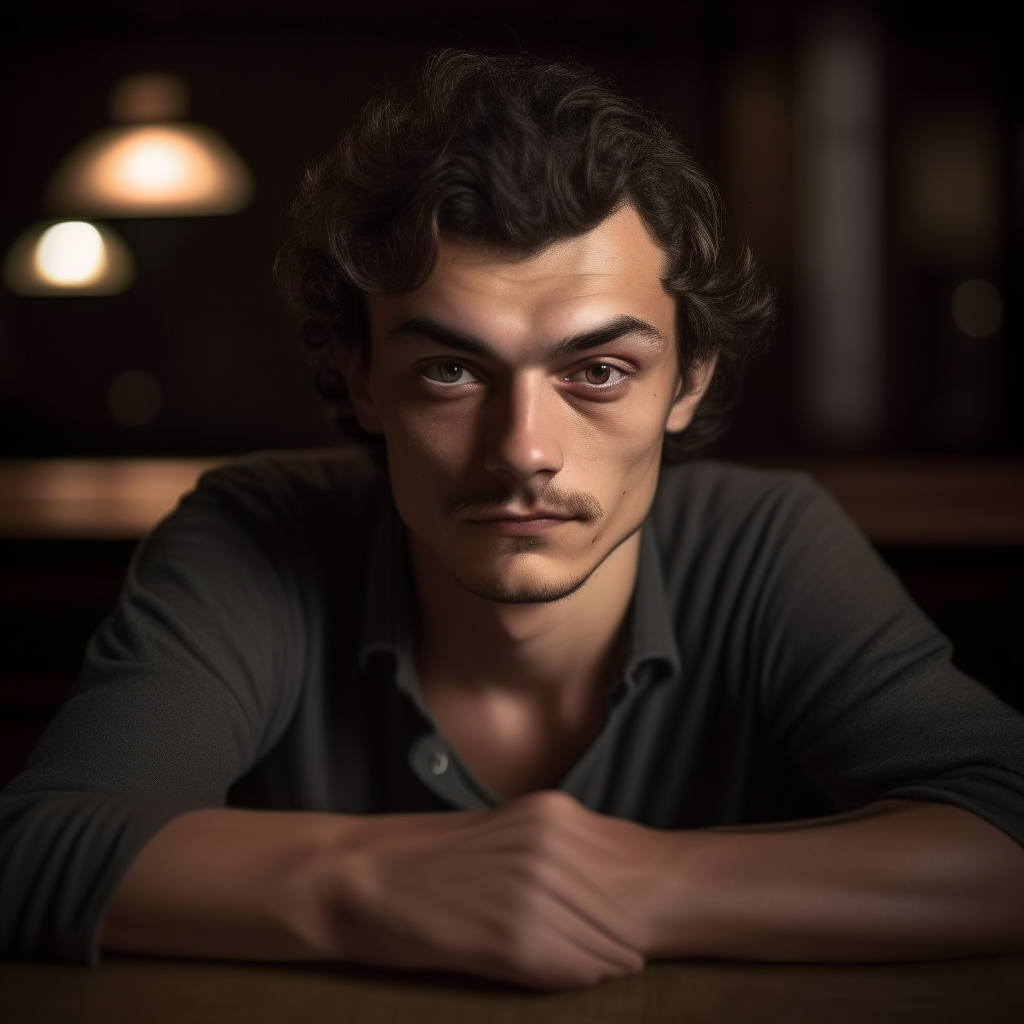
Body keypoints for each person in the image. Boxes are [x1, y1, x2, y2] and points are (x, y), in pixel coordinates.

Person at [1, 50, 1023, 991]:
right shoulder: (256, 531)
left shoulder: (765, 544)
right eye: (450, 370)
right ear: (361, 380)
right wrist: (381, 882)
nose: (522, 449)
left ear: (688, 381)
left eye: (597, 372)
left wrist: (636, 882)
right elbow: (37, 841)